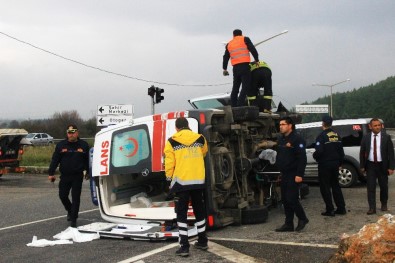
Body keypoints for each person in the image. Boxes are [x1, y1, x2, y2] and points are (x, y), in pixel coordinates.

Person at [163, 117, 209, 257]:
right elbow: (204, 153)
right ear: (188, 126)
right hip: (198, 182)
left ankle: (184, 246)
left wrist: (169, 180)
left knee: (181, 214)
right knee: (199, 211)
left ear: (177, 128)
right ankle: (202, 241)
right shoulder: (201, 139)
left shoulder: (171, 141)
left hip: (181, 183)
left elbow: (169, 164)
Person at [48, 124, 90, 227]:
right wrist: (51, 173)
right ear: (67, 133)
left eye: (73, 133)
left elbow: (88, 161)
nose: (70, 135)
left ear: (77, 133)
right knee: (63, 196)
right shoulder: (61, 145)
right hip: (65, 175)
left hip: (77, 176)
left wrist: (88, 172)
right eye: (69, 133)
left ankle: (73, 220)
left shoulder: (83, 145)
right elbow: (55, 160)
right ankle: (70, 210)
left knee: (76, 198)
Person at [275, 116, 309, 232]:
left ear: (290, 126)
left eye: (283, 124)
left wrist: (299, 174)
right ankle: (288, 223)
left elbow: (302, 158)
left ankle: (303, 218)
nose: (281, 127)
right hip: (284, 173)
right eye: (280, 125)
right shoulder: (281, 139)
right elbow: (281, 156)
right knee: (285, 199)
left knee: (291, 198)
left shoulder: (297, 139)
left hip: (294, 173)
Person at [313, 115, 346, 216]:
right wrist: (340, 163)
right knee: (336, 186)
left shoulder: (321, 136)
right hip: (335, 164)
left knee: (325, 187)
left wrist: (315, 157)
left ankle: (330, 209)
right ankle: (341, 208)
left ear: (322, 123)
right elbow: (341, 152)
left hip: (325, 165)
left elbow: (319, 151)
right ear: (331, 123)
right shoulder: (336, 135)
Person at [360, 118, 394, 215]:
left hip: (382, 165)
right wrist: (362, 166)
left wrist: (391, 167)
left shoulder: (386, 137)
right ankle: (372, 208)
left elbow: (391, 153)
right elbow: (362, 152)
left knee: (384, 186)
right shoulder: (366, 137)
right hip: (370, 165)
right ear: (370, 127)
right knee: (370, 187)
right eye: (375, 125)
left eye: (379, 125)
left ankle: (384, 204)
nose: (378, 127)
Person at [222, 29, 259, 107]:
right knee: (245, 86)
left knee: (235, 88)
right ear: (241, 34)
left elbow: (225, 57)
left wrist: (224, 68)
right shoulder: (245, 39)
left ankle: (233, 106)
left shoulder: (229, 44)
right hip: (245, 66)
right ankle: (240, 105)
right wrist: (256, 60)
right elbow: (253, 49)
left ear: (233, 35)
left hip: (235, 68)